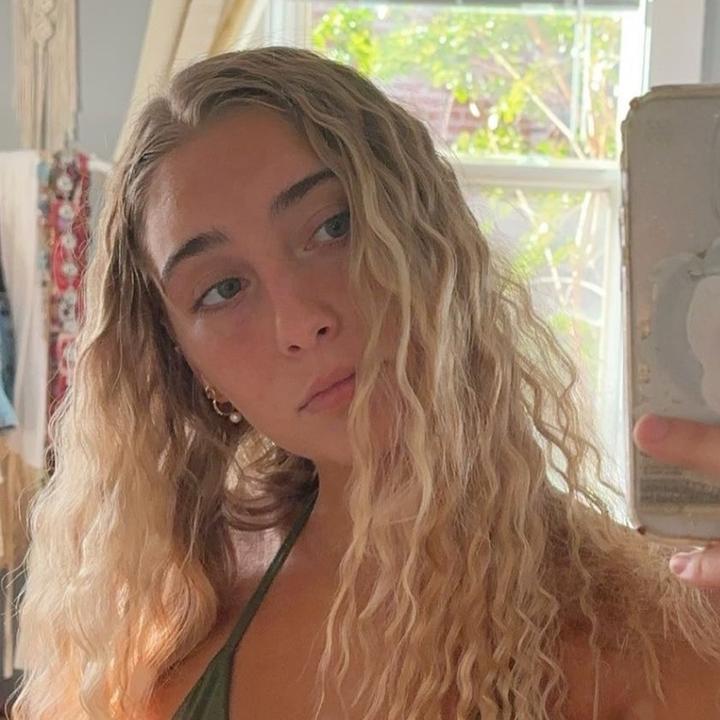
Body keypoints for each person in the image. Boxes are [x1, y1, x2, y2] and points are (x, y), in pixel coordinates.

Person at [10, 46, 720, 720]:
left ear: (429, 237)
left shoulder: (652, 636)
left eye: (334, 227)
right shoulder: (169, 612)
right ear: (187, 364)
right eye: (223, 289)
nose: (300, 320)